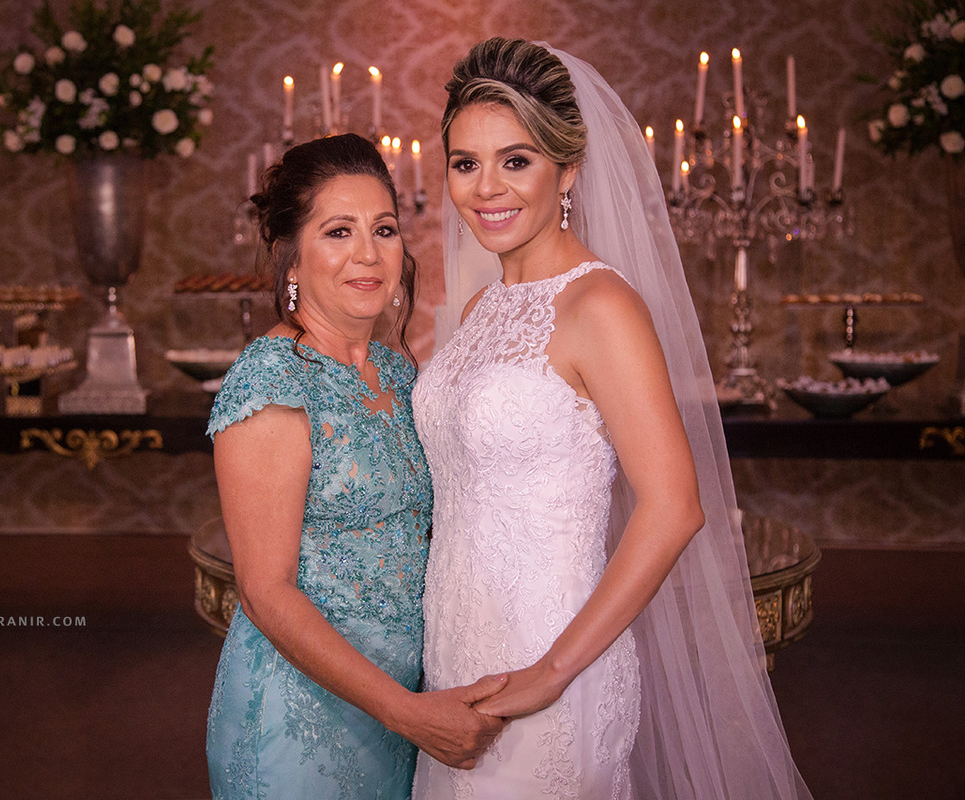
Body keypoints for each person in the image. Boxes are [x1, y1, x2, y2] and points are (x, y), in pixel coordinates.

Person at [412, 39, 813, 799]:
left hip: (553, 656)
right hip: (457, 640)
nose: (485, 188)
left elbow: (674, 507)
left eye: (516, 160)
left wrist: (551, 673)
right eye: (465, 163)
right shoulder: (477, 308)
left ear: (568, 169)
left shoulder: (602, 307)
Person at [205, 133, 507, 800]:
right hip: (298, 722)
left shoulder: (400, 376)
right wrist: (409, 712)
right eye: (339, 231)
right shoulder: (272, 381)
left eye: (385, 229)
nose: (369, 254)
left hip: (401, 716)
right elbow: (265, 591)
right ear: (292, 258)